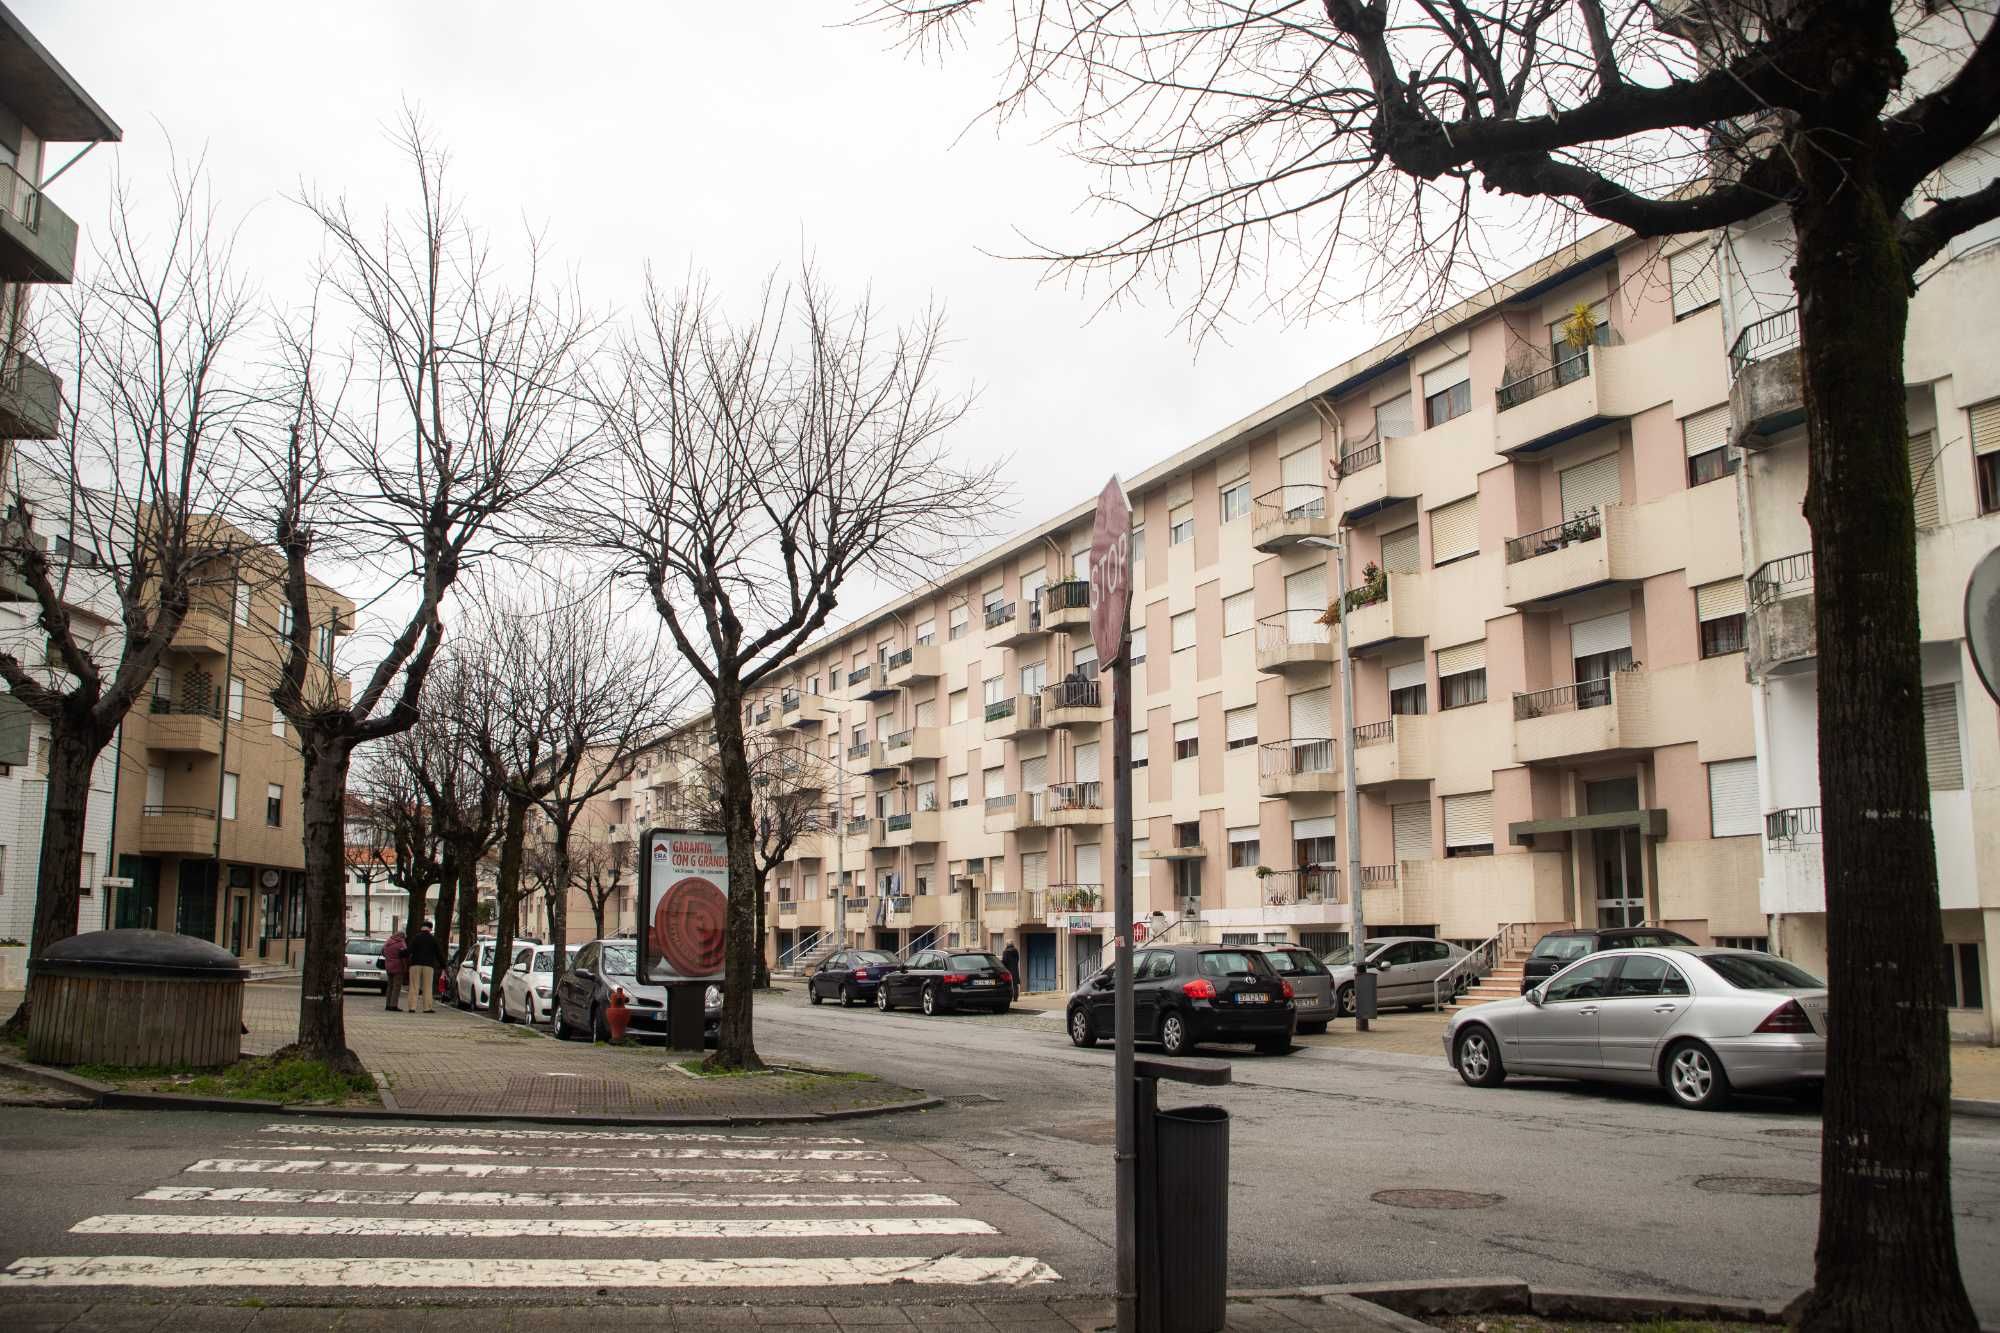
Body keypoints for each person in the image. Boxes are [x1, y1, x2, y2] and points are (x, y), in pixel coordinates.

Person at [405, 920, 444, 1013]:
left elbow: (409, 950)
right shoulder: (433, 939)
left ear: (422, 927)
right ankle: (427, 1008)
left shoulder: (416, 938)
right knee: (427, 986)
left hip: (415, 964)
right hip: (428, 965)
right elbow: (439, 953)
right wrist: (443, 965)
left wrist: (400, 954)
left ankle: (412, 1007)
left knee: (414, 986)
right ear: (430, 928)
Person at [381, 930, 408, 1012]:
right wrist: (405, 967)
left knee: (390, 986)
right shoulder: (401, 944)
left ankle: (388, 1004)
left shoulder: (388, 942)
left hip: (388, 966)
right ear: (402, 936)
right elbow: (404, 956)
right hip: (398, 967)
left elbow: (383, 953)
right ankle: (393, 1005)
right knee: (396, 987)